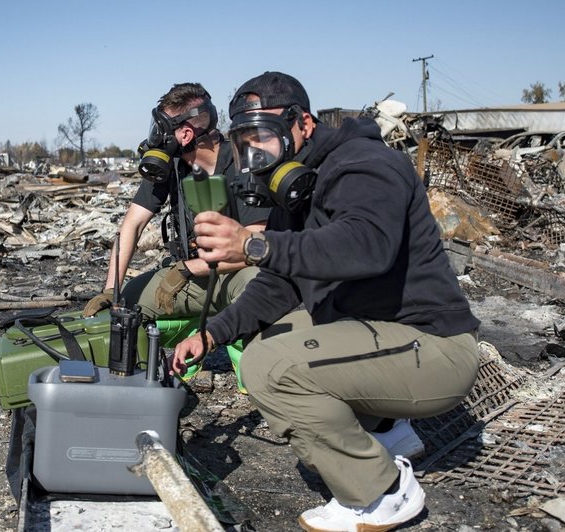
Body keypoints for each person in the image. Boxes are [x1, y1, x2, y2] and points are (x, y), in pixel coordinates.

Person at [171, 71, 481, 532]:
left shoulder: (365, 163)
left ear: (304, 124)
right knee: (282, 333)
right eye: (244, 140)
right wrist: (211, 333)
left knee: (268, 367)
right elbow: (280, 283)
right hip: (388, 341)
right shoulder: (297, 186)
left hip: (434, 347)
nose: (255, 152)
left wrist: (255, 245)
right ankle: (385, 431)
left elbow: (366, 245)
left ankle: (381, 493)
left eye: (264, 135)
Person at [82, 82, 271, 355]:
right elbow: (132, 225)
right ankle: (168, 351)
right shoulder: (172, 166)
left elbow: (258, 247)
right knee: (125, 304)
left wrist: (188, 269)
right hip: (194, 278)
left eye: (161, 131)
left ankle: (258, 364)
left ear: (184, 133)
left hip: (237, 272)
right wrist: (110, 291)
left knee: (257, 284)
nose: (156, 139)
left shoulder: (246, 163)